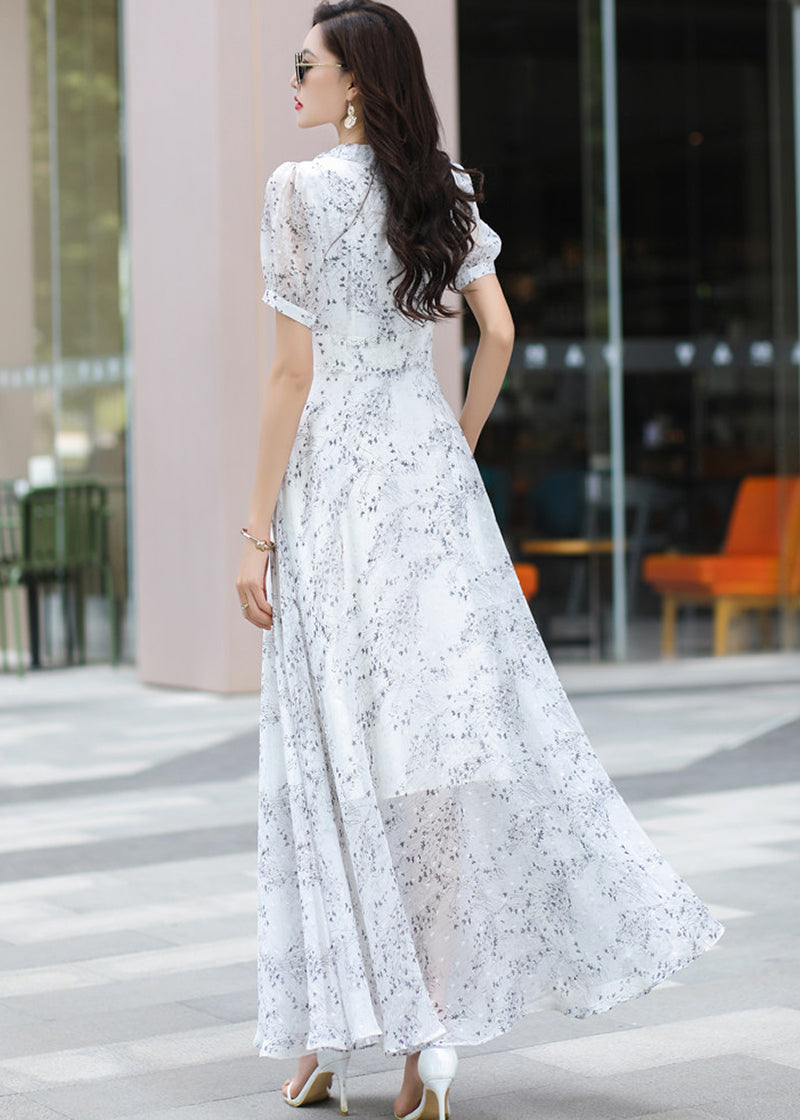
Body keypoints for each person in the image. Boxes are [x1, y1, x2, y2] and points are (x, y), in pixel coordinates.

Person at [235, 3, 724, 1118]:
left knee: (332, 747)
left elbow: (288, 379)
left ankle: (329, 1033)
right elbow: (497, 334)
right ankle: (429, 1049)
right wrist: (452, 446)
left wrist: (254, 530)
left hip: (339, 492)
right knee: (438, 753)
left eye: (305, 64)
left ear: (355, 80)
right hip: (429, 484)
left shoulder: (296, 191)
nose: (293, 81)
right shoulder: (439, 189)